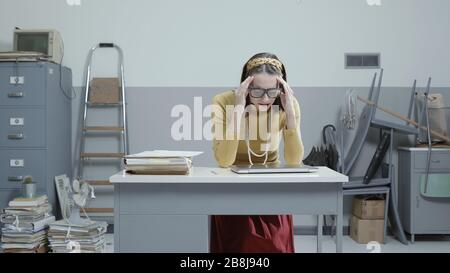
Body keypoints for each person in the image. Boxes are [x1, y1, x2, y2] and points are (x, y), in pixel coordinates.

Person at [210, 52, 305, 253]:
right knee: (240, 242)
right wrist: (238, 107)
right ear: (245, 87)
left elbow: (294, 160)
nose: (265, 99)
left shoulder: (287, 104)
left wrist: (289, 111)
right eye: (257, 92)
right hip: (232, 186)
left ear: (281, 89)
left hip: (270, 185)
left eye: (272, 92)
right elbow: (225, 160)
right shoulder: (222, 101)